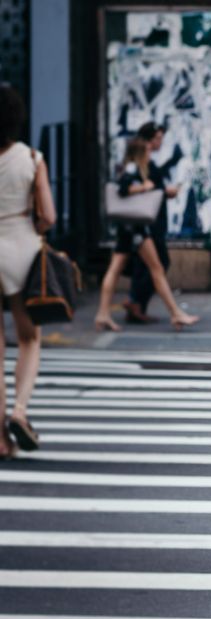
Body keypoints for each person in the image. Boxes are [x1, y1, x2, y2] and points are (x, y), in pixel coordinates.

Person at [0, 84, 57, 455]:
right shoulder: (33, 158)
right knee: (28, 339)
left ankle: (0, 440)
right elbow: (49, 216)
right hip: (22, 250)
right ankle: (19, 411)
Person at [94, 137, 199, 332]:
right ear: (141, 153)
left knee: (115, 270)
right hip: (136, 229)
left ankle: (102, 314)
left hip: (128, 228)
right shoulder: (133, 168)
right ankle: (176, 314)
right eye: (147, 152)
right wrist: (144, 187)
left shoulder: (130, 167)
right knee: (156, 269)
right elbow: (124, 189)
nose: (150, 155)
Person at [123, 121, 178, 324]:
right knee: (158, 263)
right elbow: (127, 187)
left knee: (146, 265)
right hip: (145, 222)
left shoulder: (147, 162)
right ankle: (136, 302)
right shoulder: (138, 162)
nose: (160, 142)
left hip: (150, 219)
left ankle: (136, 304)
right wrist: (161, 191)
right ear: (147, 141)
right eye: (157, 138)